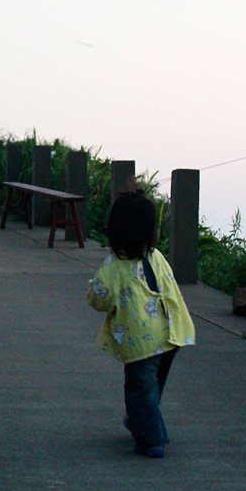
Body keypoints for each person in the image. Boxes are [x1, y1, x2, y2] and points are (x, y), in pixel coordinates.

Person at [86, 189, 195, 458]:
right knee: (150, 387)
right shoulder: (156, 256)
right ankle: (141, 420)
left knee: (139, 389)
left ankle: (152, 440)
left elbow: (98, 298)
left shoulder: (115, 267)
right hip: (173, 332)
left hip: (143, 341)